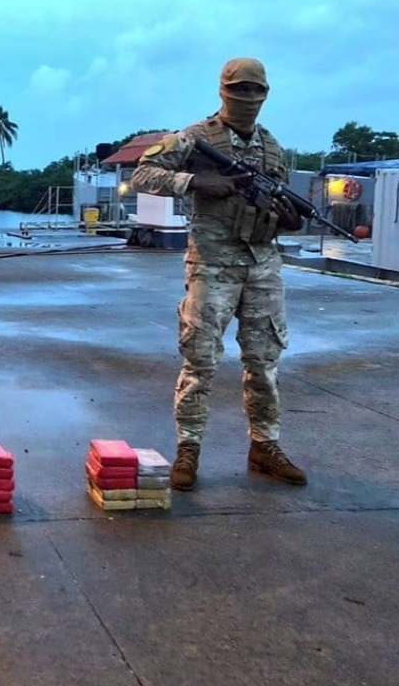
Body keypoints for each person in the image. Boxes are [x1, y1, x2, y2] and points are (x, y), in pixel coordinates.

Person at [130, 57, 307, 491]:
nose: (247, 98)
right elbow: (142, 174)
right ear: (223, 91)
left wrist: (289, 220)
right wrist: (193, 182)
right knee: (201, 360)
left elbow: (280, 204)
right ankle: (188, 449)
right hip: (213, 262)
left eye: (255, 90)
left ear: (266, 94)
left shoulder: (272, 146)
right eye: (239, 89)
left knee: (264, 362)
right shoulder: (195, 137)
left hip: (262, 264)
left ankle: (265, 446)